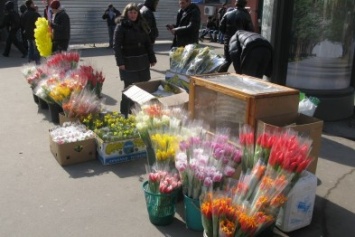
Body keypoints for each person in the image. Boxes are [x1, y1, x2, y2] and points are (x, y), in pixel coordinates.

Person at [113, 3, 157, 116]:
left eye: (135, 12)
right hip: (128, 63)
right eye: (130, 12)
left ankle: (137, 113)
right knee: (129, 89)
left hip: (143, 62)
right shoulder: (121, 26)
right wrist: (120, 62)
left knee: (142, 88)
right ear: (126, 13)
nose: (133, 15)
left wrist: (152, 58)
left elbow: (148, 43)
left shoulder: (142, 24)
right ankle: (124, 113)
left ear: (138, 14)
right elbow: (116, 46)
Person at [218, 0, 254, 72]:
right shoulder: (246, 15)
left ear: (235, 3)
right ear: (244, 4)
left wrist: (227, 34)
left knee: (227, 61)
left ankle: (219, 75)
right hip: (239, 42)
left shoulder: (227, 14)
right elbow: (250, 30)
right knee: (238, 64)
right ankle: (239, 79)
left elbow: (221, 28)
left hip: (228, 41)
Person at [23, 0, 41, 64]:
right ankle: (37, 61)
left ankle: (29, 61)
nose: (34, 5)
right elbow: (41, 22)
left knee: (30, 48)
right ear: (30, 5)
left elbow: (22, 24)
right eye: (33, 4)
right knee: (36, 48)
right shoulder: (35, 14)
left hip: (28, 34)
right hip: (35, 34)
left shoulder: (25, 13)